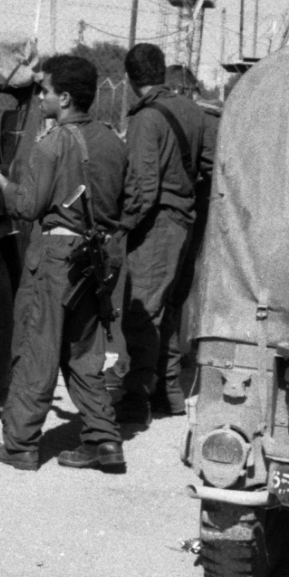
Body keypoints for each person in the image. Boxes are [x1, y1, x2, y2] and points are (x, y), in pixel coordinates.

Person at [0, 54, 131, 473]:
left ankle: (21, 444)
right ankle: (105, 441)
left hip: (56, 260)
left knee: (34, 348)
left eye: (43, 90)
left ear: (63, 98)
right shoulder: (114, 142)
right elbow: (127, 203)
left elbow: (27, 206)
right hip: (95, 261)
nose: (40, 96)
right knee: (83, 353)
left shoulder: (52, 143)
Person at [113, 44, 210, 425]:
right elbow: (206, 164)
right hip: (186, 221)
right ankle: (168, 391)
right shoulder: (192, 111)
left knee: (141, 311)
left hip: (157, 223)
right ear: (163, 72)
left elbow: (143, 187)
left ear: (129, 77)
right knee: (169, 308)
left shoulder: (144, 120)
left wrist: (122, 225)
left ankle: (136, 398)